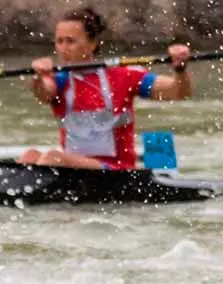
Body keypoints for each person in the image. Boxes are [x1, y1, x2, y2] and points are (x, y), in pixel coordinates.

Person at [18, 6, 193, 171]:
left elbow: (178, 92)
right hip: (76, 170)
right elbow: (43, 94)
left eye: (70, 41)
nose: (63, 48)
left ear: (92, 43)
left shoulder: (123, 76)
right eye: (59, 41)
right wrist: (38, 78)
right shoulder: (60, 80)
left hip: (117, 171)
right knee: (29, 156)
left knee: (52, 158)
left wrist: (180, 69)